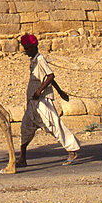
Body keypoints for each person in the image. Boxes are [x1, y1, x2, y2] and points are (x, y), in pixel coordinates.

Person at [18, 33, 80, 167]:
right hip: (33, 102)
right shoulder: (34, 60)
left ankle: (72, 150)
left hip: (42, 101)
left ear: (34, 47)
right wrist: (60, 90)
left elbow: (51, 75)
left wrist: (39, 91)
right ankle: (22, 158)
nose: (26, 51)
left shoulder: (40, 59)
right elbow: (48, 77)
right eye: (25, 48)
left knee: (54, 125)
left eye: (28, 48)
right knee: (25, 127)